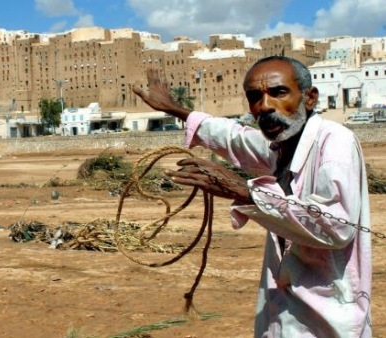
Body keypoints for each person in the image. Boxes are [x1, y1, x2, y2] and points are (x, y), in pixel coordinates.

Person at [133, 56, 372, 337]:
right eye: (255, 97)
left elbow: (336, 228)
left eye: (278, 92)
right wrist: (177, 110)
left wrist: (243, 191)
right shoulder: (281, 145)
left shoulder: (334, 143)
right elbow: (235, 137)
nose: (265, 106)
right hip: (282, 315)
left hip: (329, 315)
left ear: (309, 98)